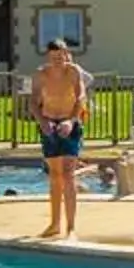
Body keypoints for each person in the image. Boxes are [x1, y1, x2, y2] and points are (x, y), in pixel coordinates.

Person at [30, 38, 94, 239]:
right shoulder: (41, 74)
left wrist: (72, 120)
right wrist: (42, 121)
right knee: (55, 176)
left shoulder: (73, 72)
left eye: (62, 56)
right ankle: (55, 224)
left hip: (70, 124)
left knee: (68, 174)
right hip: (49, 123)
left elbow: (81, 97)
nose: (58, 60)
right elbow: (33, 101)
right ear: (49, 57)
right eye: (54, 57)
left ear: (67, 55)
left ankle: (71, 228)